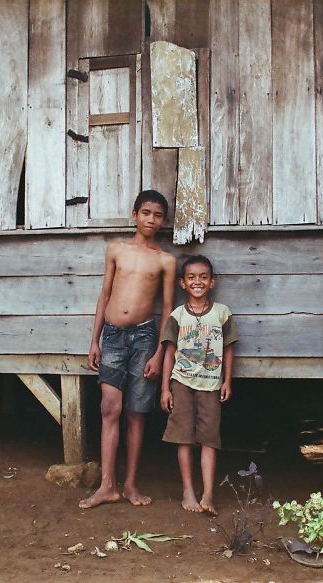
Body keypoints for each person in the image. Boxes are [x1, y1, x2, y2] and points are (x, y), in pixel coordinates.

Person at [80, 190, 176, 509]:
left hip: (145, 338)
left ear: (164, 221)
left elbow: (167, 309)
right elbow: (104, 295)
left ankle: (131, 485)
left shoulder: (165, 260)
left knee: (136, 412)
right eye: (146, 213)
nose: (151, 219)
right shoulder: (116, 249)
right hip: (112, 336)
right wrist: (94, 340)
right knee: (110, 407)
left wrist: (159, 353)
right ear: (134, 215)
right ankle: (107, 486)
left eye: (158, 215)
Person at [160, 255, 238, 515]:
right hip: (181, 383)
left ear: (212, 282)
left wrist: (227, 380)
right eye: (191, 277)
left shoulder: (222, 313)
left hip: (211, 385)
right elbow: (169, 353)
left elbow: (229, 349)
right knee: (183, 438)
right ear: (182, 283)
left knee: (209, 439)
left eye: (203, 277)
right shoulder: (177, 315)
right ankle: (188, 491)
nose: (198, 282)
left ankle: (208, 494)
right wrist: (165, 388)